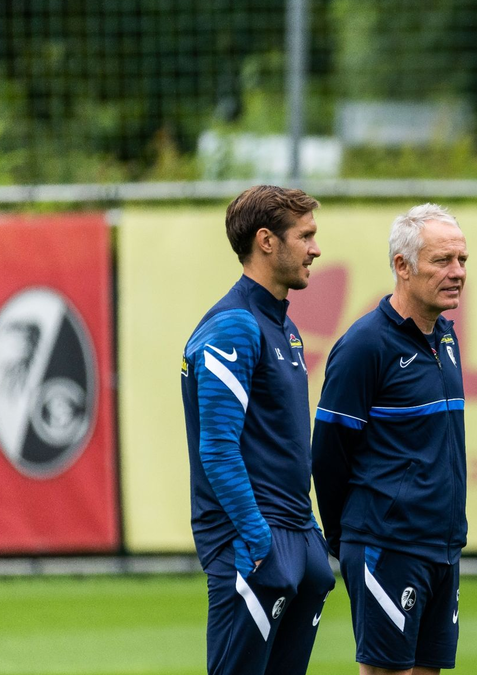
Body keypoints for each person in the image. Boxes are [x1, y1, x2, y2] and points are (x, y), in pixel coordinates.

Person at [180, 185, 336, 675]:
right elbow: (219, 449)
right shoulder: (233, 327)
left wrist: (309, 534)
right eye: (305, 236)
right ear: (266, 241)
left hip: (294, 534)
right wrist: (258, 540)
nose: (315, 248)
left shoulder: (283, 327)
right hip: (250, 541)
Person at [312, 203, 469, 674]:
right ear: (402, 266)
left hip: (441, 545)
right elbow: (329, 453)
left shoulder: (445, 337)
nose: (457, 272)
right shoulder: (365, 345)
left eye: (462, 260)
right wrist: (349, 536)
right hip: (387, 541)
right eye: (443, 260)